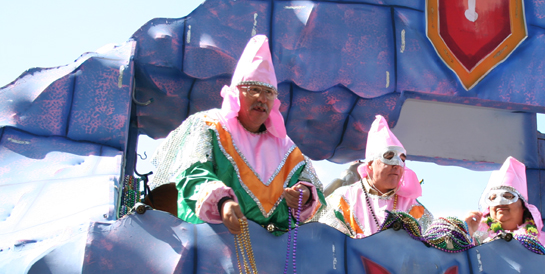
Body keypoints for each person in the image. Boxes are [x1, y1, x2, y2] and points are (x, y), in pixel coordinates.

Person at [150, 35, 323, 235]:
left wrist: (304, 193)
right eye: (254, 90)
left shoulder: (286, 147)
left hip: (268, 255)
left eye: (268, 93)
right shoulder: (209, 125)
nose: (261, 98)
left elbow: (311, 186)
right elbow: (191, 172)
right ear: (236, 93)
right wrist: (222, 202)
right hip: (210, 245)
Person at [319, 116, 432, 238]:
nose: (397, 165)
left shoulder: (413, 207)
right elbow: (327, 243)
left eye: (402, 160)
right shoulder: (343, 199)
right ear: (370, 164)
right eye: (389, 157)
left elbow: (430, 247)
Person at [464, 156, 545, 248]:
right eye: (493, 198)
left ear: (523, 206)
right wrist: (466, 233)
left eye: (508, 196)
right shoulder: (476, 238)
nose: (500, 203)